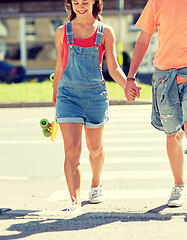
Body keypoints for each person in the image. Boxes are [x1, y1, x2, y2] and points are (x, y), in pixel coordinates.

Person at [125, 0, 187, 215]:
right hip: (165, 76)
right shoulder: (157, 2)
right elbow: (144, 39)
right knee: (173, 135)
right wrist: (130, 77)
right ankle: (179, 185)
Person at [53, 0, 140, 212]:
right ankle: (74, 202)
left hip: (95, 96)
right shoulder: (62, 32)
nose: (80, 6)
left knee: (95, 149)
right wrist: (55, 97)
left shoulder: (105, 32)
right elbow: (59, 65)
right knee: (72, 150)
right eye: (76, 3)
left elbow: (113, 67)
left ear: (94, 2)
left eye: (85, 2)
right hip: (68, 96)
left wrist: (127, 85)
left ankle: (96, 184)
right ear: (70, 4)